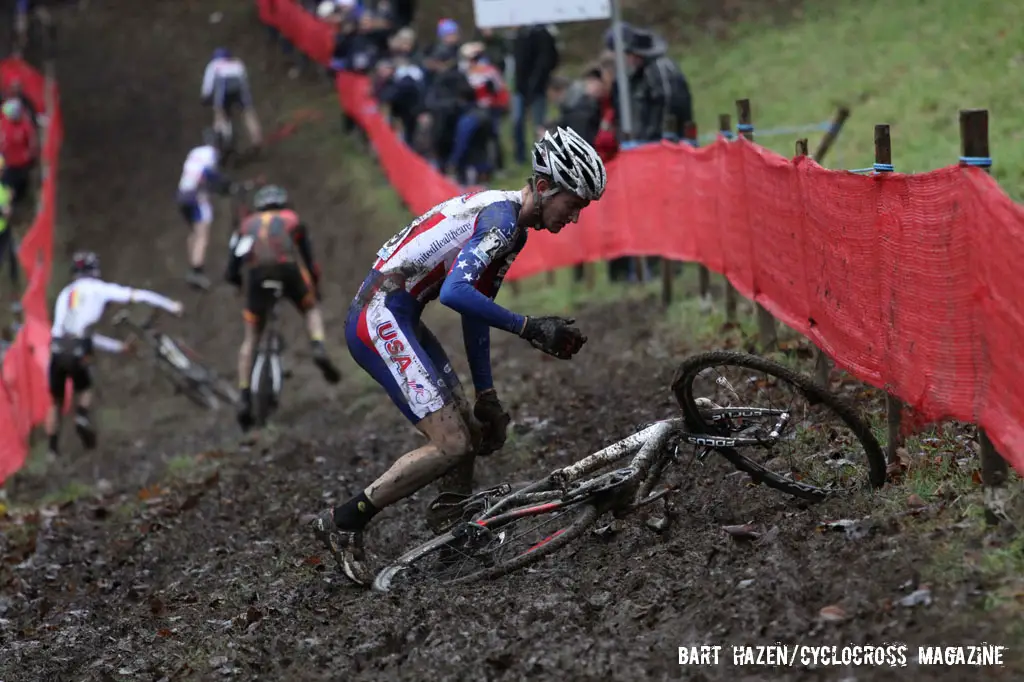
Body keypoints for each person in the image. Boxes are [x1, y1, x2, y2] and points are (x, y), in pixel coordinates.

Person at [309, 127, 607, 586]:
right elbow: (455, 293)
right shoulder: (502, 222)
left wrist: (487, 392)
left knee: (468, 426)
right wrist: (529, 328)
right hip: (380, 315)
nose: (574, 218)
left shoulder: (511, 227)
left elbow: (475, 309)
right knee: (452, 443)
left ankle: (453, 530)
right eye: (574, 204)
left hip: (398, 311)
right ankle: (345, 520)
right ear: (545, 188)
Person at [225, 184, 342, 431]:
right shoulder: (292, 219)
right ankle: (318, 345)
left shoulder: (246, 224)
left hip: (256, 276)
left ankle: (244, 395)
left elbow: (232, 267)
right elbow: (309, 259)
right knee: (310, 310)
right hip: (287, 270)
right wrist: (315, 287)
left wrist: (238, 285)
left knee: (251, 337)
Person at [46, 252, 183, 460]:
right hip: (78, 346)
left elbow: (76, 333)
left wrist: (118, 347)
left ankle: (52, 451)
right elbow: (137, 295)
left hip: (56, 347)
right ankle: (82, 414)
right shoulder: (99, 288)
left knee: (55, 401)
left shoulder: (64, 294)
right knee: (85, 387)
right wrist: (170, 305)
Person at [176, 128, 233, 290]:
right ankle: (196, 271)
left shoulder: (195, 152)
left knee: (194, 232)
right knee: (202, 234)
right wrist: (225, 184)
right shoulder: (211, 154)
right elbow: (206, 174)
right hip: (195, 197)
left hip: (182, 194)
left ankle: (192, 265)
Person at [200, 48, 263, 153]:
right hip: (239, 84)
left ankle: (221, 142)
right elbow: (244, 80)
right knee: (248, 112)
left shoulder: (213, 65)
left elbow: (207, 87)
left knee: (219, 112)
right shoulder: (237, 63)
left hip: (223, 83)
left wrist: (205, 98)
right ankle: (257, 140)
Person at [0, 98, 38, 207]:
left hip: (20, 162)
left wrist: (30, 156)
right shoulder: (4, 120)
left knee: (17, 182)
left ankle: (17, 200)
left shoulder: (25, 126)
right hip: (6, 159)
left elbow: (32, 142)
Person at [0, 155, 18, 298]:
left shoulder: (3, 184)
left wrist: (10, 198)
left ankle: (15, 280)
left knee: (12, 254)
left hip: (5, 228)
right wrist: (3, 211)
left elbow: (6, 197)